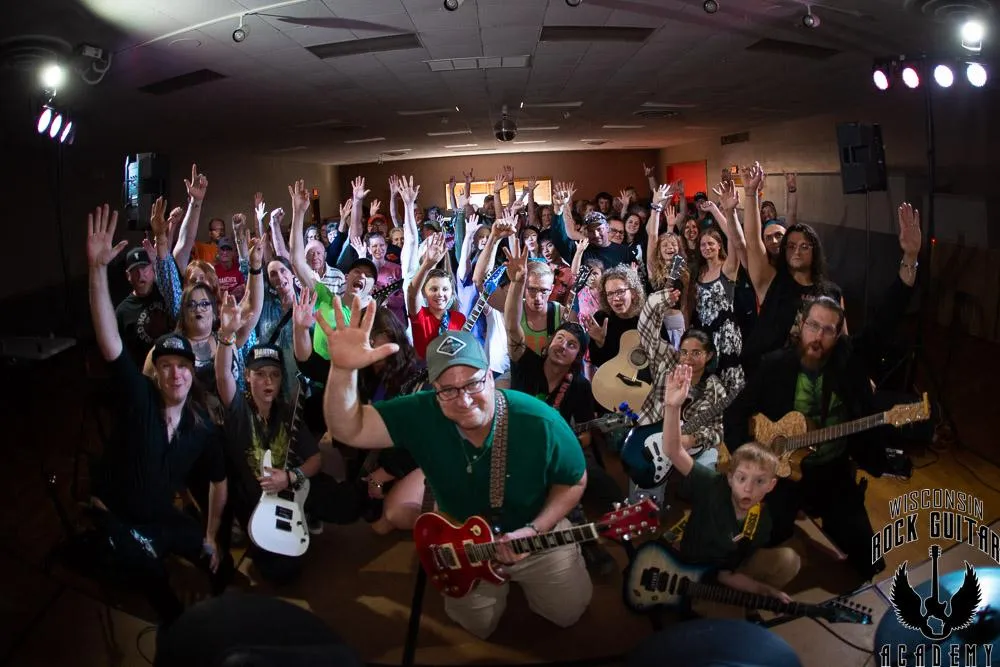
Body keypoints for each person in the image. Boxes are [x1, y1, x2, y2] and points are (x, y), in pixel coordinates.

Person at [320, 301, 591, 640]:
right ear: (434, 390)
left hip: (534, 533)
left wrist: (536, 529)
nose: (463, 400)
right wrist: (342, 371)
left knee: (567, 614)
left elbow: (575, 480)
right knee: (478, 626)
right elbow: (350, 429)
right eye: (448, 389)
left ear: (491, 377)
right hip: (463, 543)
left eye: (473, 383)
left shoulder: (541, 422)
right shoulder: (421, 412)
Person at [724, 202, 923, 580]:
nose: (819, 336)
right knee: (756, 547)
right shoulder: (775, 366)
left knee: (870, 561)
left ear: (838, 333)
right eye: (813, 326)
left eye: (829, 329)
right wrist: (746, 461)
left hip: (832, 473)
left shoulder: (846, 359)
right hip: (780, 475)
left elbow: (883, 322)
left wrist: (909, 259)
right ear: (802, 326)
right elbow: (734, 414)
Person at [85, 203, 228, 626]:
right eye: (166, 365)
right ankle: (175, 630)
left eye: (183, 366)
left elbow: (219, 481)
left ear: (191, 374)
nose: (176, 373)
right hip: (116, 514)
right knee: (152, 577)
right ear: (156, 371)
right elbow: (110, 341)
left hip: (158, 515)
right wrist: (96, 271)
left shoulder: (198, 425)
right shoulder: (140, 398)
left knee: (214, 561)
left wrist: (211, 535)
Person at [662, 365, 800, 619]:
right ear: (729, 478)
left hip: (722, 572)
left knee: (790, 560)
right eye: (741, 478)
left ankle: (739, 604)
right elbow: (672, 449)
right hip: (692, 573)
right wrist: (672, 407)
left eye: (760, 481)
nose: (748, 487)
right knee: (730, 621)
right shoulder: (710, 484)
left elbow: (728, 573)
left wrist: (764, 590)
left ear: (772, 485)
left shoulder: (761, 520)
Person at [115, 246, 173, 366]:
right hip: (145, 371)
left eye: (144, 268)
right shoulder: (122, 311)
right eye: (135, 270)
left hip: (174, 364)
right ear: (128, 276)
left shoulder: (167, 293)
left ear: (153, 269)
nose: (141, 275)